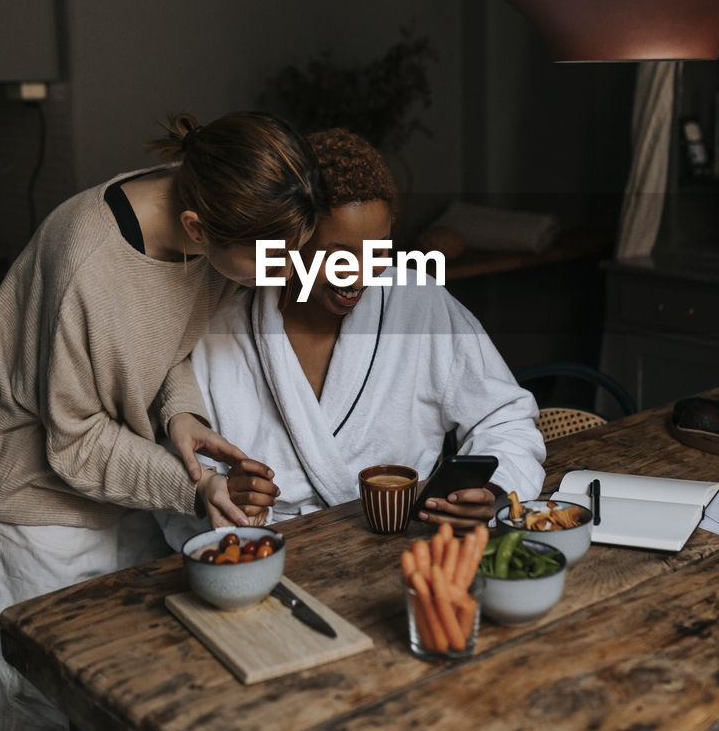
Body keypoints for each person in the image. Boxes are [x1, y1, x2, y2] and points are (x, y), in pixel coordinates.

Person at [0, 110, 327, 731]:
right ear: (199, 226)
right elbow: (72, 443)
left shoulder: (206, 222)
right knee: (36, 719)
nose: (277, 275)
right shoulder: (87, 263)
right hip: (41, 507)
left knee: (118, 714)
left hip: (125, 482)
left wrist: (182, 420)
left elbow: (163, 352)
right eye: (264, 260)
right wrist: (191, 486)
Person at [158, 128, 545, 547]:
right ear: (294, 238)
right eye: (338, 254)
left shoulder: (418, 303)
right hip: (269, 555)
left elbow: (505, 418)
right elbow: (179, 470)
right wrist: (225, 500)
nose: (359, 275)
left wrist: (495, 490)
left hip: (405, 545)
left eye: (378, 249)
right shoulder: (220, 328)